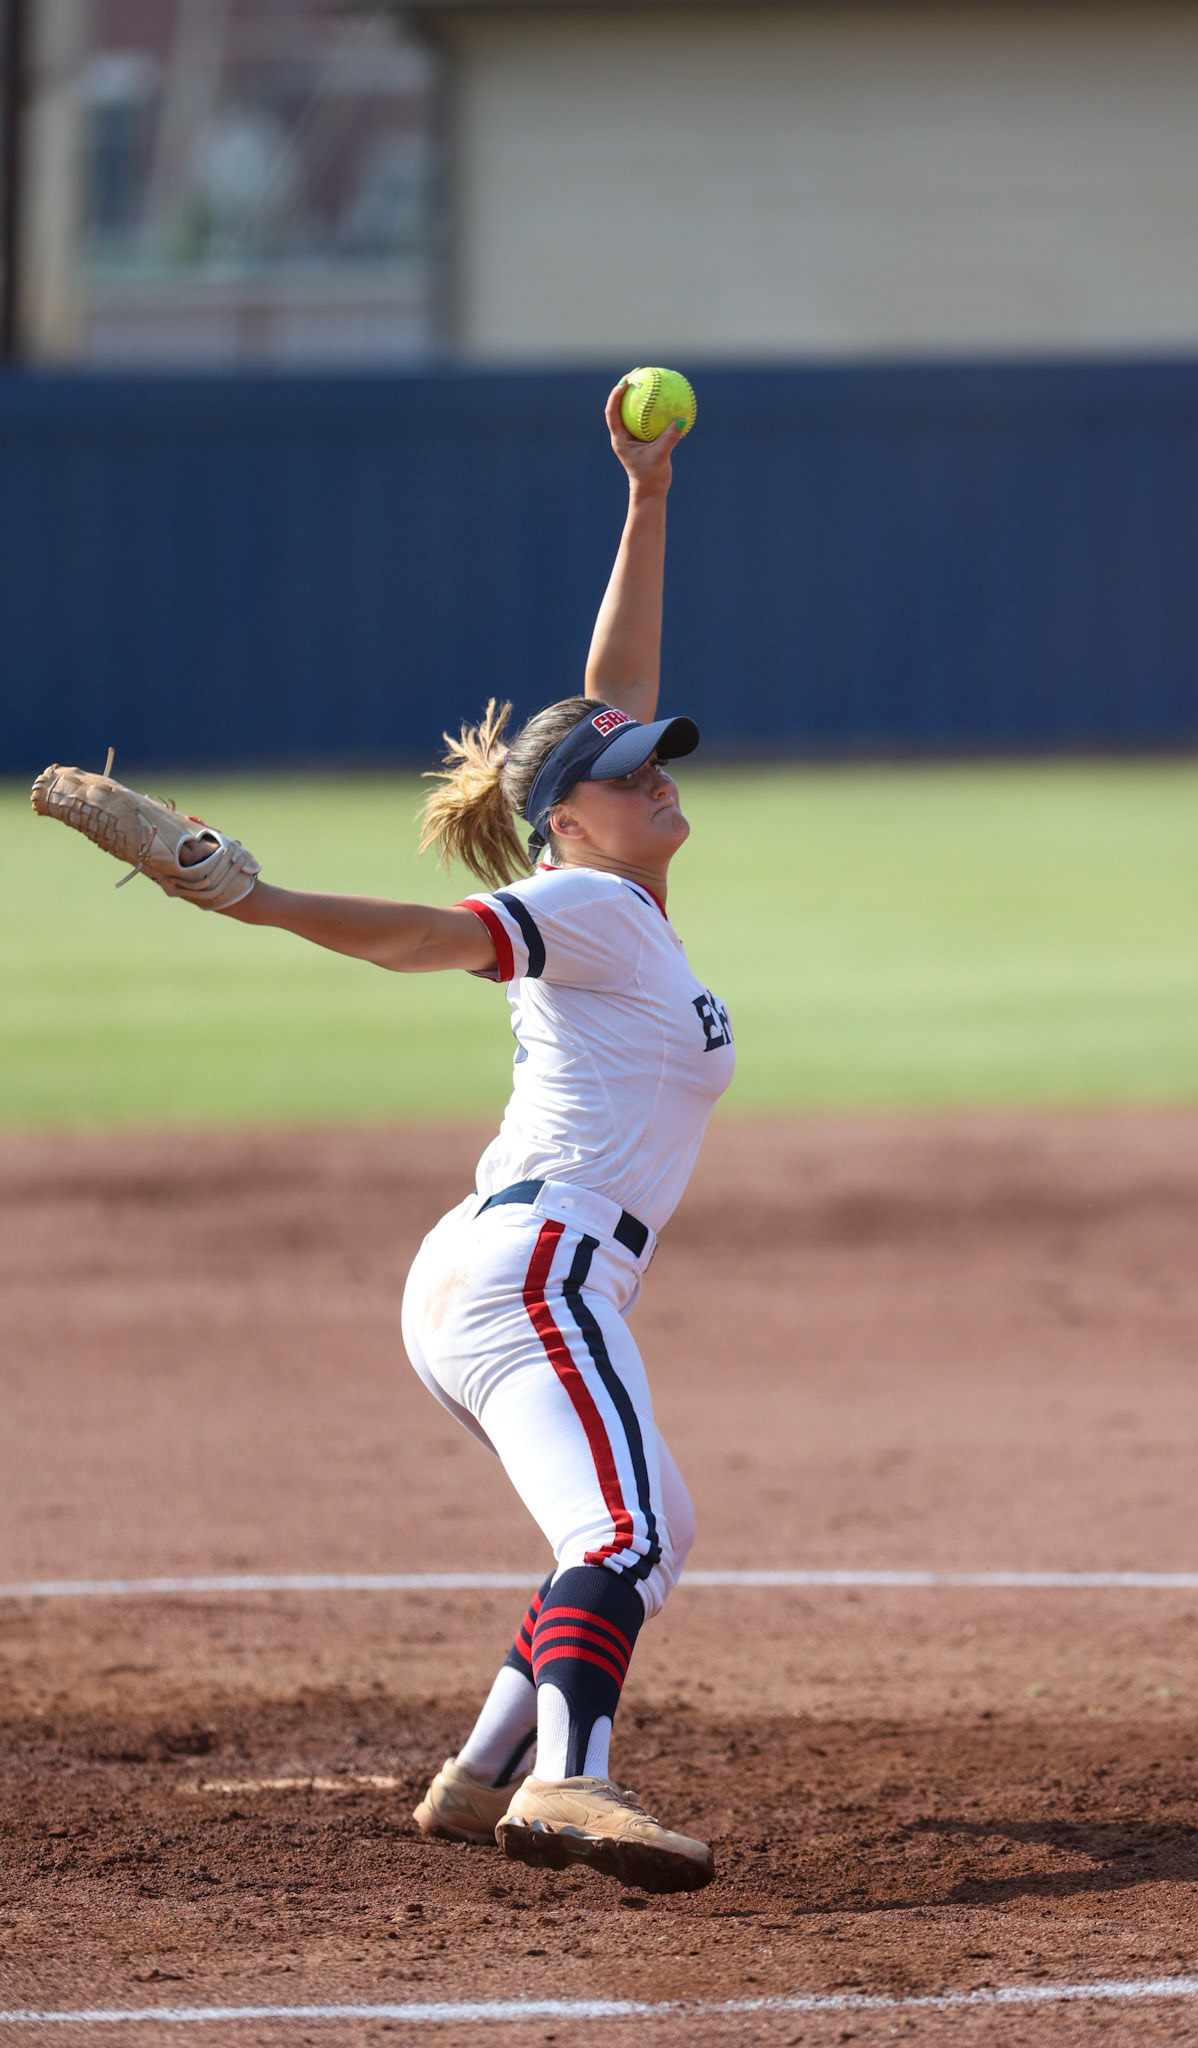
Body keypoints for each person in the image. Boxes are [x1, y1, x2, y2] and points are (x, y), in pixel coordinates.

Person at [191, 382, 727, 1890]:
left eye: (660, 755)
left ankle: (480, 1773)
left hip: (508, 1270)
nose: (660, 773)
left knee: (650, 1525)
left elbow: (611, 690)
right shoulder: (575, 905)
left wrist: (646, 497)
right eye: (630, 774)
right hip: (535, 1271)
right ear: (569, 819)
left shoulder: (627, 904)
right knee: (622, 1531)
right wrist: (268, 901)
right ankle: (574, 1785)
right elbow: (431, 940)